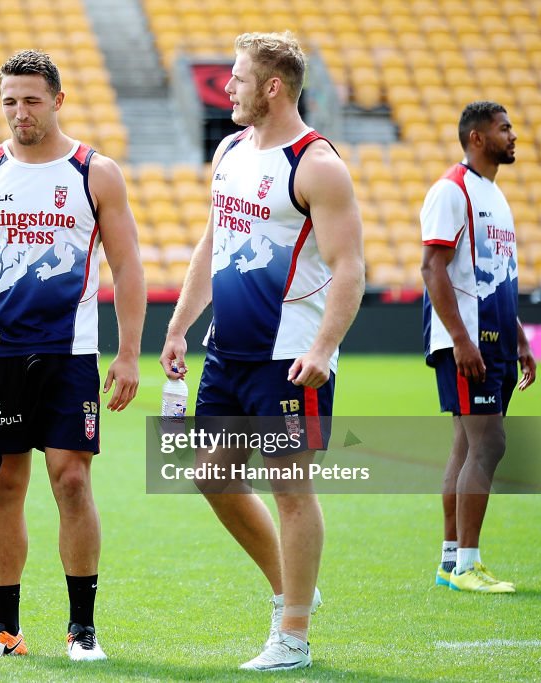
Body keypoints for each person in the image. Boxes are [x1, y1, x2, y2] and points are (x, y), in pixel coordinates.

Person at [159, 32, 364, 671]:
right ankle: (293, 586)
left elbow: (350, 267)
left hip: (289, 359)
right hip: (227, 353)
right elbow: (214, 239)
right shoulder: (229, 149)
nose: (228, 89)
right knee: (210, 473)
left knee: (291, 490)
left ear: (272, 87)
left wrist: (326, 348)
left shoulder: (317, 164)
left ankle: (293, 635)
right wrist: (179, 326)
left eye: (238, 79)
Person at [0, 49, 145, 662]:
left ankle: (81, 630)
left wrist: (129, 353)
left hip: (70, 355)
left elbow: (128, 266)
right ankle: (5, 631)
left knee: (72, 482)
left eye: (31, 99)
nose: (19, 111)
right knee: (3, 487)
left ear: (57, 100)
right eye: (9, 100)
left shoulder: (95, 172)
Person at [420, 101, 536, 594]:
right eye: (503, 128)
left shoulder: (494, 196)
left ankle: (452, 562)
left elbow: (495, 277)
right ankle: (468, 564)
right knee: (490, 443)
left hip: (494, 340)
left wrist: (521, 338)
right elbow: (433, 268)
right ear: (476, 138)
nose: (513, 135)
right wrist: (463, 340)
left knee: (468, 445)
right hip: (469, 344)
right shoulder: (452, 190)